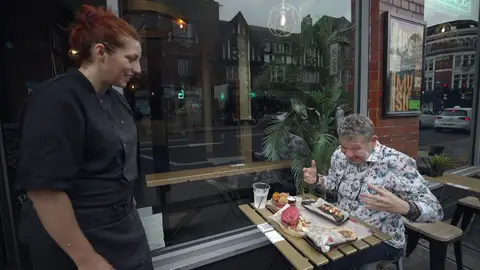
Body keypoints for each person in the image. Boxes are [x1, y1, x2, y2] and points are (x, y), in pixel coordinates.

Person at [17, 5, 153, 270]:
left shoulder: (117, 100)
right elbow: (45, 192)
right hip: (79, 238)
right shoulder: (56, 100)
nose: (137, 68)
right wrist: (86, 259)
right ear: (100, 52)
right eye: (131, 58)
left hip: (123, 228)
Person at [303, 114, 443, 270]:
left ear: (373, 140)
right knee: (308, 250)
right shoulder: (339, 155)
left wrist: (405, 207)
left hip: (383, 239)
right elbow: (333, 184)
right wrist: (317, 180)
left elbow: (435, 211)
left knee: (330, 263)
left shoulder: (397, 163)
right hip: (343, 228)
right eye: (344, 147)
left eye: (356, 148)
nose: (348, 154)